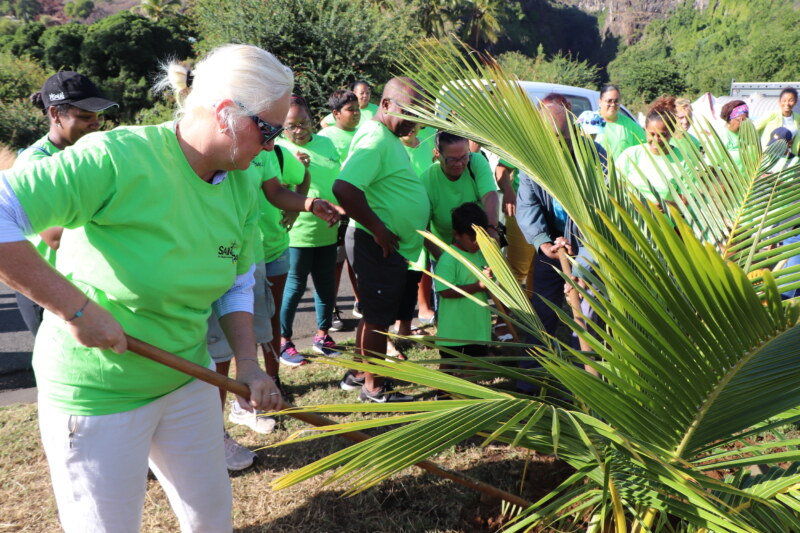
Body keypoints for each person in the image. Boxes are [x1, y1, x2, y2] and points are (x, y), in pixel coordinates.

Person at [0, 44, 293, 532]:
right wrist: (75, 310)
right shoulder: (117, 158)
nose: (273, 145)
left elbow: (237, 282)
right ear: (225, 114)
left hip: (187, 377)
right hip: (98, 393)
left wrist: (246, 364)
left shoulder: (241, 183)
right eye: (269, 130)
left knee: (211, 519)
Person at [333, 76, 430, 402]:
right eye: (410, 113)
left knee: (374, 313)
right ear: (385, 105)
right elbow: (344, 188)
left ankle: (360, 373)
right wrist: (377, 228)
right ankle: (373, 389)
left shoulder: (385, 136)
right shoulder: (376, 137)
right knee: (377, 318)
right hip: (377, 245)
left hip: (385, 244)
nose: (414, 123)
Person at [13, 71, 117, 336]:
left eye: (98, 117)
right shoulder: (36, 164)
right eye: (84, 117)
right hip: (48, 289)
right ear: (55, 114)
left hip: (81, 284)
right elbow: (54, 236)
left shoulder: (88, 155)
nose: (95, 124)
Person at [516, 100, 604, 394]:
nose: (556, 146)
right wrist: (543, 243)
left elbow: (603, 217)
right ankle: (530, 382)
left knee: (590, 317)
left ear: (575, 133)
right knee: (541, 313)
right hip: (552, 247)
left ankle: (592, 385)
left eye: (562, 139)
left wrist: (585, 265)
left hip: (590, 246)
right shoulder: (532, 158)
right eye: (549, 139)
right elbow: (527, 206)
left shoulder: (595, 158)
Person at [278, 95, 344, 363]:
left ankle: (322, 335)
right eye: (292, 125)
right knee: (293, 288)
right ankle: (284, 341)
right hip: (296, 233)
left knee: (326, 285)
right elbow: (276, 193)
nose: (299, 130)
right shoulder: (278, 149)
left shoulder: (326, 143)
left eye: (304, 122)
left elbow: (336, 179)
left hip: (327, 229)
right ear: (282, 127)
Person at [435, 202, 492, 376]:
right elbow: (445, 290)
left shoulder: (483, 253)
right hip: (454, 330)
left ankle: (466, 395)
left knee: (474, 363)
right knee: (448, 365)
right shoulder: (449, 258)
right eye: (472, 238)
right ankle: (443, 395)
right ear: (456, 235)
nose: (477, 243)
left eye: (481, 238)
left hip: (477, 327)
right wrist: (477, 286)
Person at [422, 131, 499, 251]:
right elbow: (423, 229)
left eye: (464, 157)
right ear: (437, 153)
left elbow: (490, 196)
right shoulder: (427, 180)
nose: (459, 164)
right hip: (445, 251)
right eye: (452, 159)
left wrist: (492, 228)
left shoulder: (476, 162)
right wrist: (444, 261)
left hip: (481, 247)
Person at [616, 103, 688, 204]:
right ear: (645, 130)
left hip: (667, 218)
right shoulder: (630, 155)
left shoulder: (683, 161)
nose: (656, 139)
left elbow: (688, 198)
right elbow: (615, 186)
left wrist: (665, 206)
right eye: (652, 134)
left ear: (671, 133)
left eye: (662, 135)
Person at [595, 84, 646, 161]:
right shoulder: (590, 121)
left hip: (623, 172)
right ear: (600, 102)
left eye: (616, 101)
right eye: (609, 101)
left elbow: (644, 149)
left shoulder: (630, 125)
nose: (612, 104)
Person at [317, 89, 360, 161]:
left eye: (357, 108)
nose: (356, 112)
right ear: (336, 113)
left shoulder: (362, 133)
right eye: (350, 109)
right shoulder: (325, 137)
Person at [756, 87, 800, 153]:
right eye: (784, 100)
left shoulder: (797, 118)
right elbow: (753, 128)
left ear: (795, 102)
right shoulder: (771, 115)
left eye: (791, 100)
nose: (787, 104)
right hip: (770, 156)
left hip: (789, 157)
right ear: (779, 102)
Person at [719, 99, 749, 173]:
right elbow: (711, 166)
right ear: (729, 120)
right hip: (728, 182)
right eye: (739, 120)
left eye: (746, 120)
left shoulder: (748, 135)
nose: (743, 123)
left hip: (749, 182)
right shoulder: (721, 137)